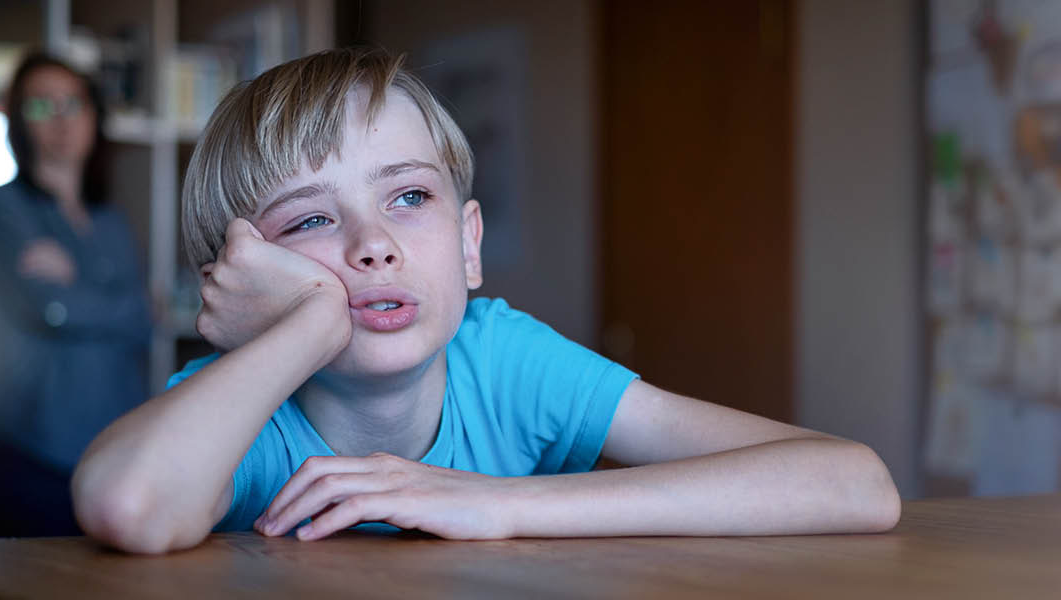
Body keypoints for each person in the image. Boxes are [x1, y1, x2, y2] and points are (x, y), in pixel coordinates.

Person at [71, 47, 900, 554]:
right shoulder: (244, 408)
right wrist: (308, 325)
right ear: (239, 276)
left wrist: (496, 503)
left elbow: (853, 485)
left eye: (408, 199)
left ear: (469, 245)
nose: (373, 243)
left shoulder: (501, 360)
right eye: (315, 219)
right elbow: (129, 503)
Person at [0, 53, 152, 536]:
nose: (58, 119)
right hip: (29, 450)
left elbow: (144, 319)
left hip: (114, 453)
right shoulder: (2, 208)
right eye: (39, 107)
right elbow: (53, 309)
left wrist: (75, 284)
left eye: (71, 103)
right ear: (18, 122)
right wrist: (101, 300)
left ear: (94, 117)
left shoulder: (112, 222)